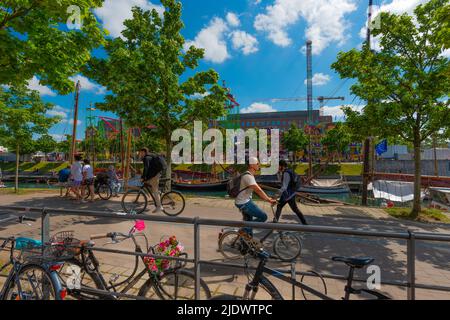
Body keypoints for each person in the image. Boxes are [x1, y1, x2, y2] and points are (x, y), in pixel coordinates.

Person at [235, 157, 277, 237]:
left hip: (245, 201)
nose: (259, 165)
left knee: (249, 222)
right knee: (263, 217)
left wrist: (268, 197)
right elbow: (258, 190)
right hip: (243, 202)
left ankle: (246, 243)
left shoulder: (249, 175)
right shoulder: (248, 176)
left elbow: (257, 189)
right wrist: (268, 200)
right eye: (257, 163)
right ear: (251, 165)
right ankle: (244, 230)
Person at [274, 160, 308, 225]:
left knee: (280, 206)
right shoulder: (288, 171)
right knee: (294, 208)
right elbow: (281, 181)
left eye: (278, 166)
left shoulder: (286, 173)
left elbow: (284, 186)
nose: (278, 168)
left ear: (282, 166)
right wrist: (278, 173)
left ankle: (275, 221)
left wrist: (276, 195)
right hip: (291, 193)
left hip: (288, 194)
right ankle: (305, 223)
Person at [139, 148, 165, 214]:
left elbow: (146, 168)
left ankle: (159, 206)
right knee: (149, 184)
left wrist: (143, 177)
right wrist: (145, 178)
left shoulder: (146, 158)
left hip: (156, 174)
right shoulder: (150, 156)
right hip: (157, 173)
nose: (140, 154)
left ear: (144, 152)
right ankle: (158, 194)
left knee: (154, 190)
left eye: (141, 153)